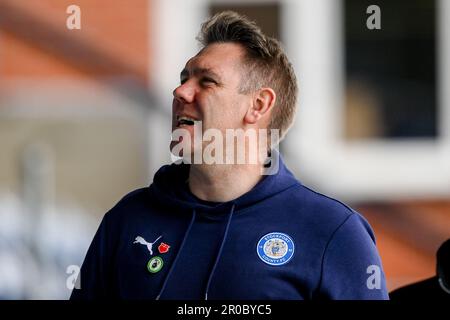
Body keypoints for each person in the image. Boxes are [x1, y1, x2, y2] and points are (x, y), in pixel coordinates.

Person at [70, 11, 388, 300]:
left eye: (207, 81)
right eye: (184, 79)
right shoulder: (127, 219)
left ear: (258, 105)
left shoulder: (332, 231)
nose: (180, 92)